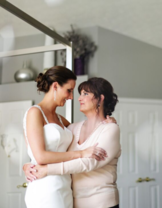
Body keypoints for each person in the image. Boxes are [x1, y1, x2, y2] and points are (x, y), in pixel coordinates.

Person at [25, 77, 121, 208]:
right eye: (80, 94)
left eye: (85, 94)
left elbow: (89, 162)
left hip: (101, 202)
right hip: (72, 201)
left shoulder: (110, 129)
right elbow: (55, 148)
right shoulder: (72, 128)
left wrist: (46, 169)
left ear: (100, 98)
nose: (79, 98)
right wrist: (30, 165)